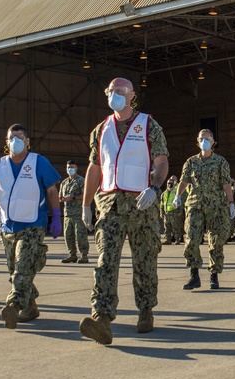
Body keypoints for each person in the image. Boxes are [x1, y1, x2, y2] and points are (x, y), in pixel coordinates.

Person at [78, 78, 168, 345]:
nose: (113, 95)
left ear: (131, 96)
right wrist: (85, 205)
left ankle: (145, 310)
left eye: (119, 91)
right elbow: (95, 168)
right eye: (109, 91)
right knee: (105, 262)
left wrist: (155, 187)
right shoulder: (101, 129)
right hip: (110, 206)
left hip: (142, 205)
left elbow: (162, 160)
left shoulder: (149, 124)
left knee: (144, 262)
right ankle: (102, 319)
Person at [0, 124, 61, 328]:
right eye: (12, 137)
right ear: (6, 141)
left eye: (19, 137)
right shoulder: (0, 166)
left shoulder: (38, 162)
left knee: (22, 267)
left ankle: (13, 306)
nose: (15, 141)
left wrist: (56, 215)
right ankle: (30, 306)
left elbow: (52, 190)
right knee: (15, 271)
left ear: (27, 141)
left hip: (33, 224)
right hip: (7, 227)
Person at [176, 128, 234, 290]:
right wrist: (178, 195)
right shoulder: (191, 162)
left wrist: (231, 202)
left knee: (215, 242)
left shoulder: (221, 162)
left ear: (213, 142)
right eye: (202, 138)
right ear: (197, 141)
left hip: (216, 208)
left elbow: (226, 183)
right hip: (194, 206)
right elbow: (184, 180)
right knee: (191, 239)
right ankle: (194, 275)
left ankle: (214, 276)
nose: (204, 141)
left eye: (207, 138)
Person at [59, 160, 89, 264]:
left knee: (80, 235)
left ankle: (84, 255)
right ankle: (72, 255)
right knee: (68, 235)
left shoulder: (81, 181)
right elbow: (60, 196)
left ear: (76, 168)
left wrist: (73, 198)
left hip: (78, 213)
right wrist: (62, 199)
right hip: (67, 214)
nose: (70, 169)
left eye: (72, 167)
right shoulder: (64, 183)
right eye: (68, 167)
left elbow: (86, 195)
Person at [160, 176, 184, 245]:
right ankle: (168, 239)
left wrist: (180, 212)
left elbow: (180, 202)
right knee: (167, 227)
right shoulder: (164, 193)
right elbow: (162, 204)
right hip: (167, 213)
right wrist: (161, 213)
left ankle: (177, 239)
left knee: (176, 227)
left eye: (171, 183)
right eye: (168, 183)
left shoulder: (177, 192)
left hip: (174, 212)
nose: (169, 184)